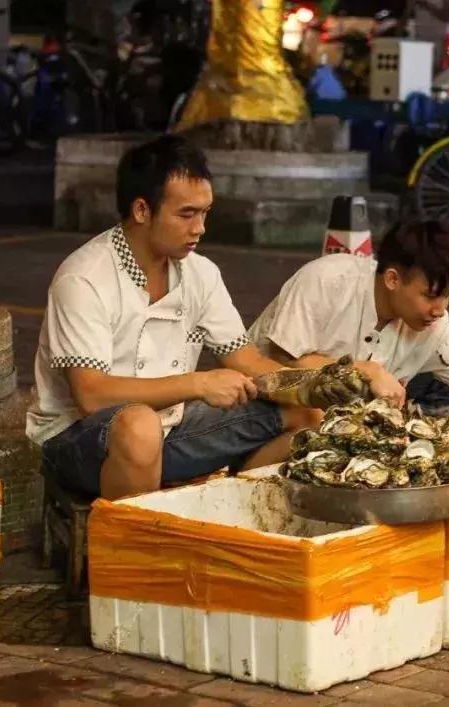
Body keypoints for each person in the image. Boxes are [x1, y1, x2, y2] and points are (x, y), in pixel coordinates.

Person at [26, 135, 315, 500]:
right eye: (186, 214)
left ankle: (232, 513)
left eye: (204, 213)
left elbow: (247, 361)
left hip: (171, 427)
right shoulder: (84, 278)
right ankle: (133, 536)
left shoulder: (201, 273)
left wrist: (323, 387)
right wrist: (199, 384)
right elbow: (92, 396)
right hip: (75, 438)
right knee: (140, 426)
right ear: (142, 210)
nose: (200, 228)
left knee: (308, 415)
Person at [247, 219, 449, 417]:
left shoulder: (435, 323)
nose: (439, 309)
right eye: (430, 295)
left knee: (441, 383)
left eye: (447, 296)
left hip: (342, 413)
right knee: (315, 418)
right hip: (260, 402)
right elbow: (283, 359)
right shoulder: (326, 279)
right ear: (392, 279)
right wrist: (366, 371)